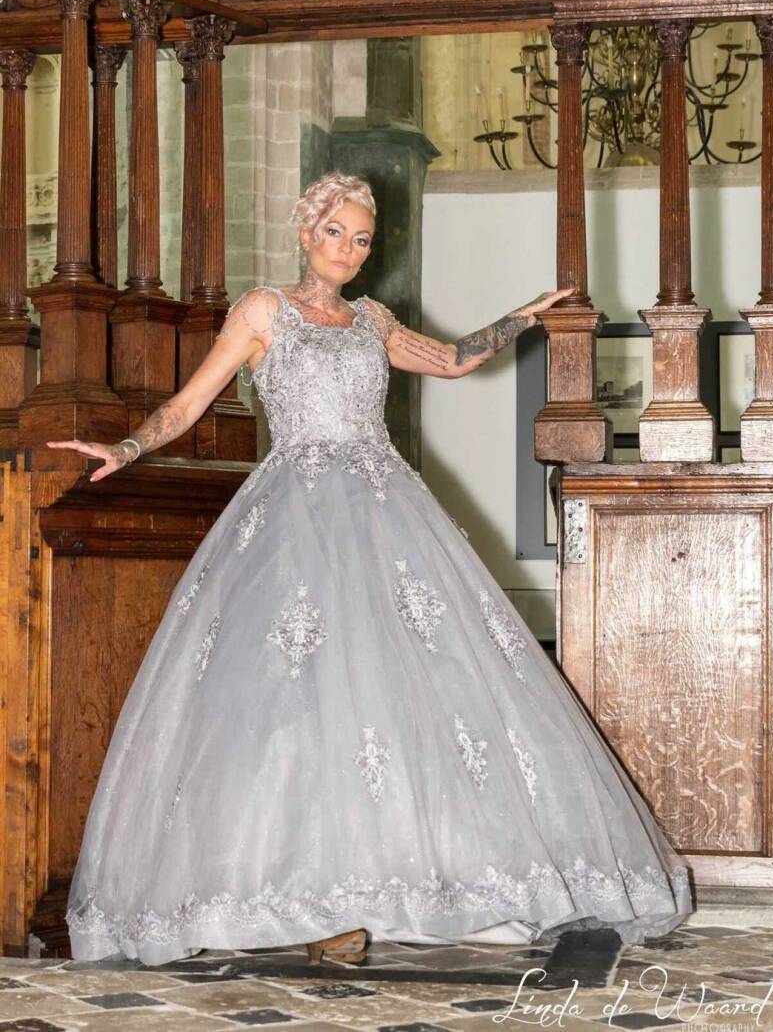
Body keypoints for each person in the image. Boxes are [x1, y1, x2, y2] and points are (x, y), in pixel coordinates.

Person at [51, 171, 692, 968]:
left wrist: (523, 317)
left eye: (360, 239)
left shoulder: (372, 319)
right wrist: (123, 448)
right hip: (292, 518)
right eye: (335, 233)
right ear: (305, 232)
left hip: (386, 509)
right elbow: (187, 406)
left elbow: (452, 360)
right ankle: (312, 902)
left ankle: (391, 888)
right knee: (298, 706)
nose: (347, 250)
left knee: (403, 699)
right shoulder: (263, 312)